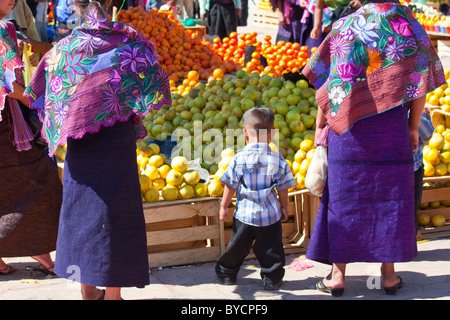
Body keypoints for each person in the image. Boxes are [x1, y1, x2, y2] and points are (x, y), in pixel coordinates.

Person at [25, 0, 171, 300]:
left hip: (82, 146)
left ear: (75, 6)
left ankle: (88, 293)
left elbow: (44, 92)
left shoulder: (64, 50)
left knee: (82, 215)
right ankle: (114, 296)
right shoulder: (131, 42)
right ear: (110, 3)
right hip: (117, 142)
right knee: (116, 213)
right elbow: (153, 79)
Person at [302, 0, 445, 296]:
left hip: (348, 133)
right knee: (390, 200)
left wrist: (320, 125)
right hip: (392, 132)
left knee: (343, 199)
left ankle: (338, 276)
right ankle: (389, 276)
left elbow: (329, 83)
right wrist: (413, 127)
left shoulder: (345, 26)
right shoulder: (410, 28)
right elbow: (421, 81)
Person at [0, 0, 62, 276]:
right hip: (6, 123)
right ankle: (40, 249)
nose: (11, 1)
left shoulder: (7, 29)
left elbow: (30, 45)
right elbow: (10, 86)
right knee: (43, 178)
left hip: (7, 121)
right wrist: (36, 101)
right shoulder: (1, 30)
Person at [216, 107, 296, 290]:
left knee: (237, 246)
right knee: (271, 249)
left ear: (245, 133)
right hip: (269, 216)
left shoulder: (238, 158)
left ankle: (227, 273)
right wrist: (284, 207)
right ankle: (272, 278)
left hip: (245, 215)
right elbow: (283, 188)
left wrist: (223, 206)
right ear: (271, 135)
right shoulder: (278, 159)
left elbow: (230, 184)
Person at [413, 110, 434, 237]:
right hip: (411, 169)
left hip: (383, 168)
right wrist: (425, 115)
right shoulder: (410, 109)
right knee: (410, 209)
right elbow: (427, 134)